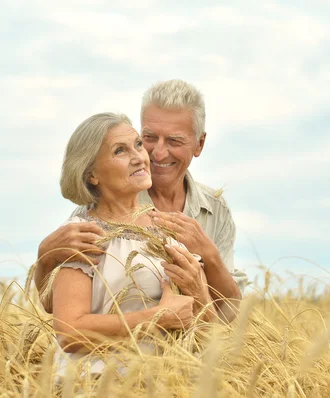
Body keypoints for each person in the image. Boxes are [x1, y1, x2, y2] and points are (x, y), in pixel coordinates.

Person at [35, 80, 246, 321]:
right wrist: (46, 257)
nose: (157, 153)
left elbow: (230, 314)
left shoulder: (216, 209)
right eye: (149, 137)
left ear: (199, 144)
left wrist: (209, 256)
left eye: (174, 141)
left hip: (183, 356)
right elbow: (59, 311)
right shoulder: (105, 208)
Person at [51, 112, 216, 374]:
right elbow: (69, 333)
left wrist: (200, 293)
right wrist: (156, 319)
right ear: (92, 174)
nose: (139, 157)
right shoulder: (82, 235)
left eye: (138, 145)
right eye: (120, 151)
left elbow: (209, 337)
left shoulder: (168, 231)